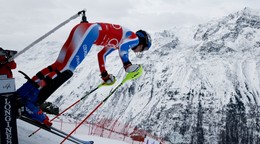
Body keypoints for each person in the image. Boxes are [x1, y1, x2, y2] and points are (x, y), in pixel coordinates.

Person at [16, 22, 152, 127]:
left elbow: (101, 55)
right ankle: (31, 103)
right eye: (143, 49)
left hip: (83, 29)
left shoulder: (122, 38)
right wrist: (127, 64)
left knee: (58, 65)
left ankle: (24, 92)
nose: (139, 51)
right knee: (67, 70)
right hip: (90, 33)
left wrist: (104, 74)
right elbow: (124, 49)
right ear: (142, 41)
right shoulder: (134, 38)